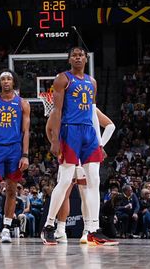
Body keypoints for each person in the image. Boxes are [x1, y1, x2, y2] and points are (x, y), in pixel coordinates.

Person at [41, 46, 117, 246]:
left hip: (89, 133)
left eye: (81, 55)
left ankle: (93, 229)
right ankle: (49, 226)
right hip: (70, 130)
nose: (77, 57)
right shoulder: (62, 79)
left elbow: (92, 112)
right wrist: (56, 139)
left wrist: (99, 141)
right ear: (69, 60)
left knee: (94, 180)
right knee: (65, 180)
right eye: (74, 55)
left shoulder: (92, 82)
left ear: (86, 59)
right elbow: (56, 110)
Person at [51, 106, 116, 244]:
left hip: (84, 152)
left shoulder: (90, 108)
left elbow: (111, 126)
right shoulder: (65, 107)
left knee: (83, 192)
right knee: (67, 190)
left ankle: (85, 230)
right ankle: (62, 229)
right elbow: (49, 128)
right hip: (71, 147)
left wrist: (100, 145)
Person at [0, 70, 30, 243]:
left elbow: (26, 131)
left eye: (9, 78)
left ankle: (6, 228)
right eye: (3, 79)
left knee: (11, 190)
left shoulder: (23, 103)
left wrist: (25, 155)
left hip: (15, 151)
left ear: (14, 81)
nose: (6, 81)